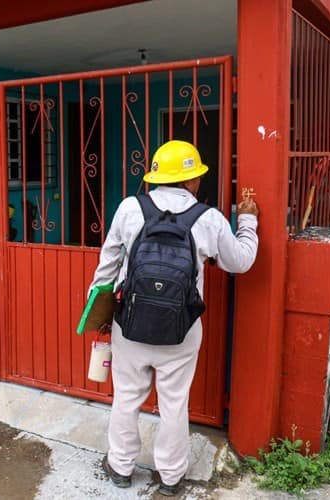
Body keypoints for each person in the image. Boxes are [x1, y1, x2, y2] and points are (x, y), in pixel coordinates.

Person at [88, 140, 259, 496]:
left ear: (156, 177)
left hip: (129, 326)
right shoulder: (208, 218)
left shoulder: (129, 209)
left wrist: (99, 312)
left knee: (126, 398)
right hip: (181, 331)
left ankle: (120, 466)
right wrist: (248, 220)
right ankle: (170, 478)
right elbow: (240, 262)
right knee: (174, 403)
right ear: (193, 180)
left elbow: (107, 267)